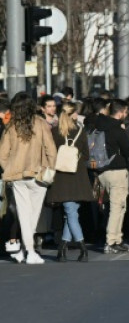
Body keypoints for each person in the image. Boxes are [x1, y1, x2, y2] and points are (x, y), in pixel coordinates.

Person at [0, 92, 57, 264]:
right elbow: (51, 149)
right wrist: (50, 168)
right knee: (33, 214)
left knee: (24, 214)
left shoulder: (11, 127)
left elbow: (2, 154)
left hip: (17, 175)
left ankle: (25, 250)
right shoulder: (40, 124)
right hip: (38, 174)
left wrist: (9, 168)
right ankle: (30, 251)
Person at [45, 101, 94, 262]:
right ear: (73, 114)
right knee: (71, 212)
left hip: (61, 177)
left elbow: (49, 154)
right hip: (78, 176)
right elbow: (86, 155)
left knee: (70, 212)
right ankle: (64, 249)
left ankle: (82, 248)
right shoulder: (80, 130)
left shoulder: (54, 132)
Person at [95, 99, 129, 253]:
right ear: (120, 112)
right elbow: (127, 150)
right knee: (118, 207)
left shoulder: (99, 125)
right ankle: (111, 241)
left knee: (113, 206)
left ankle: (117, 239)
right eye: (125, 112)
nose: (126, 114)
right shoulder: (117, 129)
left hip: (101, 171)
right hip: (117, 171)